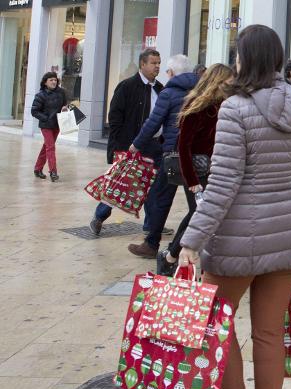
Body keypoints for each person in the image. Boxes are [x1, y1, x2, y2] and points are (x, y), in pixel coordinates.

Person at [177, 25, 291, 389]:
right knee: (270, 334)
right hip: (290, 232)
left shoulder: (234, 108)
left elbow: (223, 182)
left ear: (244, 59)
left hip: (238, 241)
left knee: (213, 326)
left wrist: (191, 240)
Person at [156, 63, 235, 276]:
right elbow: (183, 145)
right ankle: (171, 255)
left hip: (215, 167)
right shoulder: (197, 104)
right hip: (197, 169)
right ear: (217, 81)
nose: (232, 84)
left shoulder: (225, 104)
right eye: (228, 81)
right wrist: (191, 179)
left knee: (201, 213)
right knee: (198, 213)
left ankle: (173, 256)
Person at [127, 54, 199, 259]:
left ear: (171, 73)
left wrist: (135, 145)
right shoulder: (201, 91)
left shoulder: (168, 93)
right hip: (195, 156)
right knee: (195, 204)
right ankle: (189, 246)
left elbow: (152, 123)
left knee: (159, 198)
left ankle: (153, 244)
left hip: (173, 155)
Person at [90, 49, 163, 235]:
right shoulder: (127, 86)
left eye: (159, 63)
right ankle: (99, 217)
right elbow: (115, 116)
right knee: (120, 184)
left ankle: (151, 227)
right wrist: (120, 146)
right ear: (143, 64)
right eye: (153, 63)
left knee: (153, 186)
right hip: (131, 145)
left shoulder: (160, 89)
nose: (157, 67)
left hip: (155, 145)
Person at [31, 72, 68, 182]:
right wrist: (46, 118)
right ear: (45, 82)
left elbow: (65, 104)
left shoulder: (61, 92)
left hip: (57, 125)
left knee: (46, 147)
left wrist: (65, 108)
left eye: (55, 80)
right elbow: (34, 111)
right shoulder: (40, 95)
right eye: (51, 80)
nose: (54, 82)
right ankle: (53, 171)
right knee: (50, 147)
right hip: (46, 125)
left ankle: (37, 169)